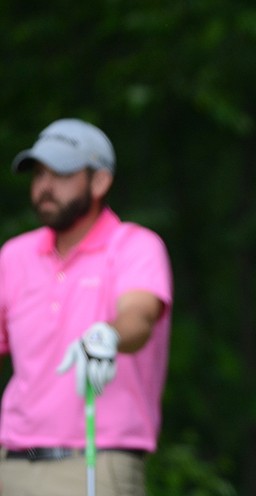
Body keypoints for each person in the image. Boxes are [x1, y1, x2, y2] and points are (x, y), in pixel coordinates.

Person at [0, 118, 173, 496]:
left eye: (60, 173)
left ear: (99, 181)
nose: (45, 186)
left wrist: (108, 334)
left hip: (95, 462)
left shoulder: (135, 246)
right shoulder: (13, 256)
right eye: (39, 173)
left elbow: (139, 316)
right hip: (10, 463)